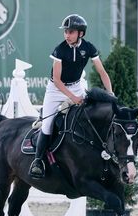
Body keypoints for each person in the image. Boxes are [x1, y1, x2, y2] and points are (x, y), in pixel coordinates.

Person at [29, 14, 114, 179]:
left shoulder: (88, 48)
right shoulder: (59, 50)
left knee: (89, 113)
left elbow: (102, 72)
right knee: (47, 125)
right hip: (55, 89)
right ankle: (37, 161)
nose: (67, 35)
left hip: (77, 85)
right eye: (65, 32)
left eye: (71, 32)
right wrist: (74, 99)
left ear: (80, 33)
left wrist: (110, 94)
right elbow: (58, 81)